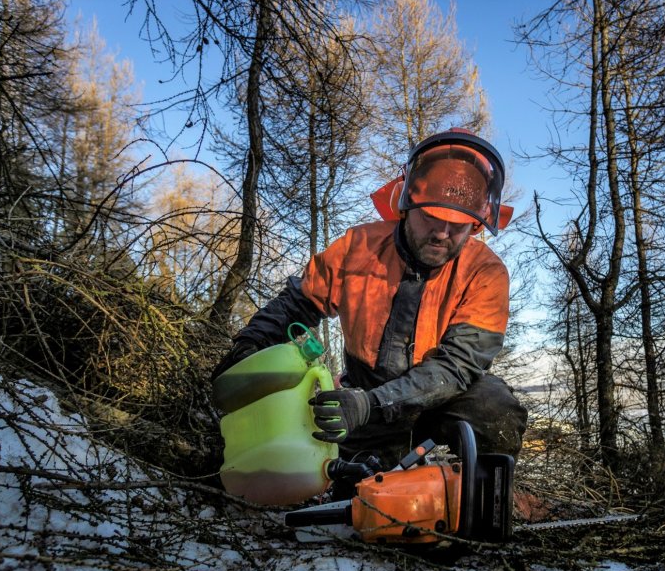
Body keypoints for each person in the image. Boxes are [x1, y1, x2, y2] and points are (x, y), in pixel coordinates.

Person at [211, 128, 528, 472]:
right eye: (431, 217)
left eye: (457, 225)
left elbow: (457, 366)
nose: (441, 233)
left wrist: (371, 405)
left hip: (437, 399)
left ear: (475, 225)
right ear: (407, 204)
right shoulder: (359, 248)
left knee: (493, 408)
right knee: (347, 480)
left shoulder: (484, 273)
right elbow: (297, 303)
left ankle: (481, 495)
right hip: (363, 397)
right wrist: (250, 344)